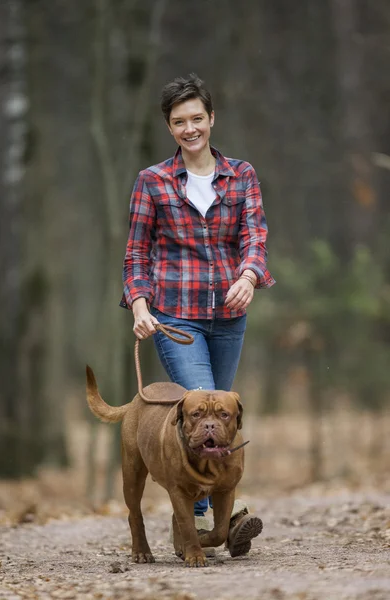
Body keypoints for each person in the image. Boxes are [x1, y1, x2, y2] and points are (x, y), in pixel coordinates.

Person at [120, 73, 275, 557]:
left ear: (212, 119)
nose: (190, 129)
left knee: (219, 419)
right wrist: (141, 306)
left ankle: (211, 517)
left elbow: (255, 235)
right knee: (198, 407)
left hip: (229, 317)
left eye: (197, 118)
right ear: (169, 127)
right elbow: (136, 253)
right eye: (179, 121)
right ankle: (209, 519)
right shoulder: (153, 181)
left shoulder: (241, 174)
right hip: (175, 318)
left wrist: (248, 276)